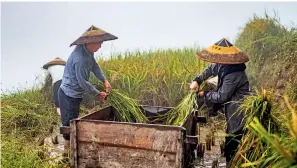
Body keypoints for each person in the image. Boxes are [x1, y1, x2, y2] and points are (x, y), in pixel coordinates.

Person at [190, 38, 250, 166]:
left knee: (233, 139)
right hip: (231, 109)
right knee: (230, 137)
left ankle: (234, 161)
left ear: (228, 59)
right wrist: (197, 80)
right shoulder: (223, 65)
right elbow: (211, 69)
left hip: (238, 110)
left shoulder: (234, 74)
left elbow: (221, 96)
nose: (218, 62)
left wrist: (205, 94)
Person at [58, 25, 118, 150]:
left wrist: (104, 80)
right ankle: (68, 151)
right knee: (69, 124)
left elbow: (95, 67)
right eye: (99, 44)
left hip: (76, 94)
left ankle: (71, 147)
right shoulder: (79, 58)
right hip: (67, 94)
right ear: (90, 43)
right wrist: (97, 93)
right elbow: (82, 82)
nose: (100, 47)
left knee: (73, 120)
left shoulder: (89, 53)